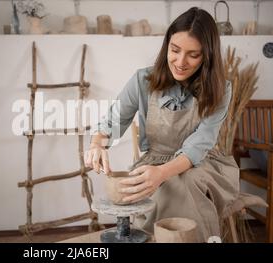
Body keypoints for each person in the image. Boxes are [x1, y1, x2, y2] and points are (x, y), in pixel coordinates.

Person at [84, 7, 239, 242]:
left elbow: (199, 144)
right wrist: (98, 143)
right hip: (154, 159)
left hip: (199, 163)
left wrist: (163, 173)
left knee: (184, 182)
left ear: (207, 55)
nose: (180, 62)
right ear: (166, 45)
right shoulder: (143, 80)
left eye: (193, 55)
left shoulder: (220, 89)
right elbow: (114, 122)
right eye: (174, 50)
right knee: (143, 186)